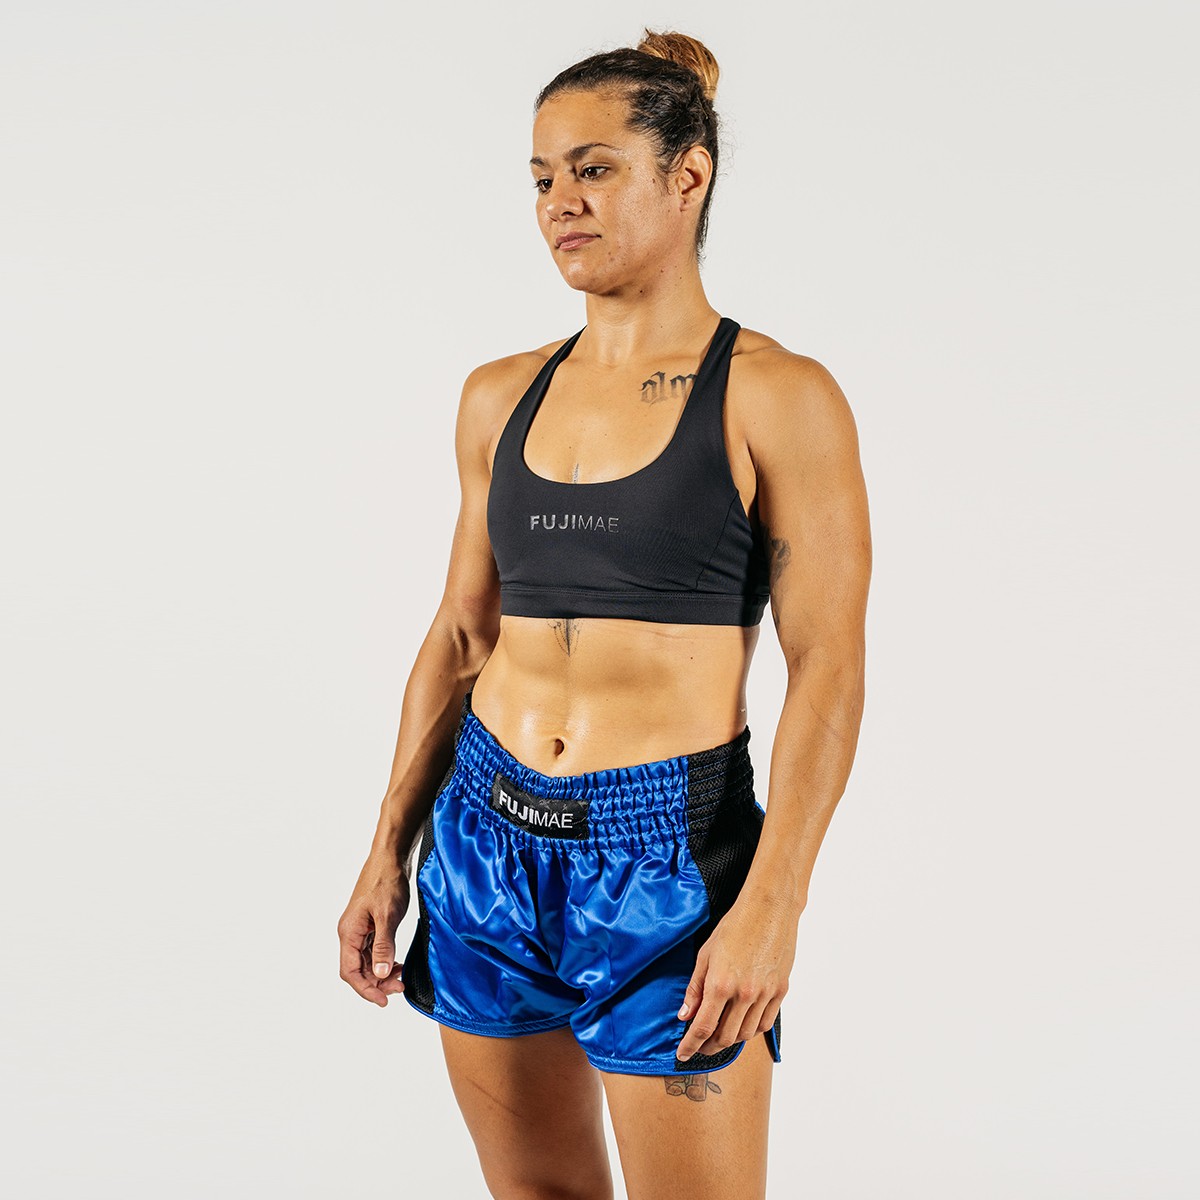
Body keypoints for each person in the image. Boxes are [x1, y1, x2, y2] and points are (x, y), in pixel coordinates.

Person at [338, 28, 871, 1200]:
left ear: (689, 175)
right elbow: (462, 636)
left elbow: (828, 663)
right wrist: (387, 848)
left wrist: (774, 906)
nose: (559, 204)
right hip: (483, 839)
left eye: (593, 169)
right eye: (541, 178)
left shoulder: (777, 395)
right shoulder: (499, 394)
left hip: (666, 856)